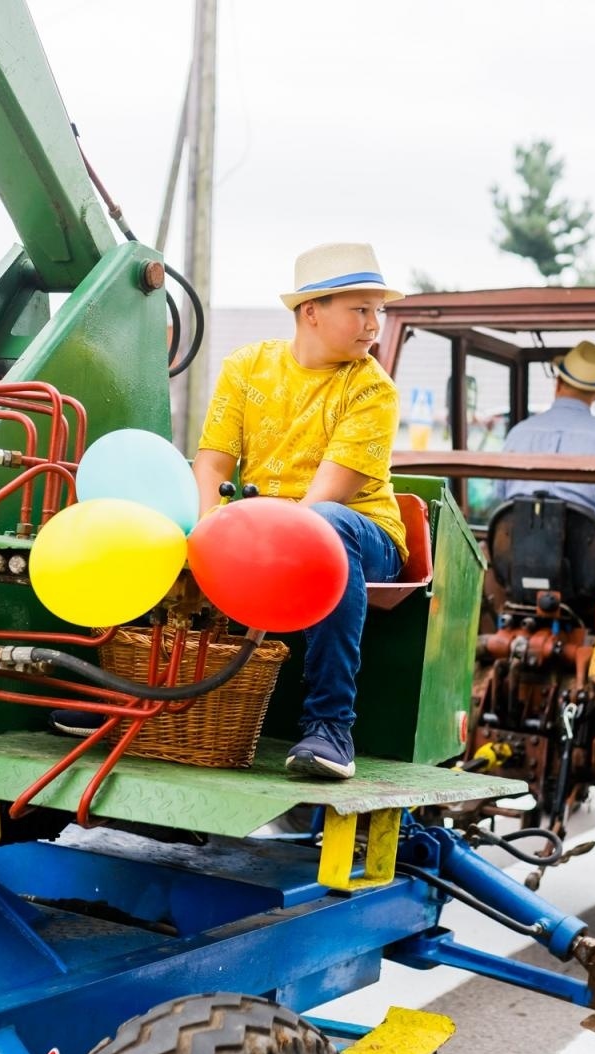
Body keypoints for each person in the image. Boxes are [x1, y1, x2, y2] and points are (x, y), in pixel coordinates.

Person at [191, 242, 407, 779]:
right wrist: (202, 532)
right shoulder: (247, 366)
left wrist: (254, 548)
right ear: (312, 311)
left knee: (325, 530)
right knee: (165, 520)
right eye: (361, 309)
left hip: (362, 535)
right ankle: (139, 698)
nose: (374, 325)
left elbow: (322, 500)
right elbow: (212, 466)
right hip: (270, 527)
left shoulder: (372, 388)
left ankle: (331, 727)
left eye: (377, 310)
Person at [493, 340, 595, 524]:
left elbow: (500, 502)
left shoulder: (517, 435)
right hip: (592, 551)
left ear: (558, 382)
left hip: (514, 551)